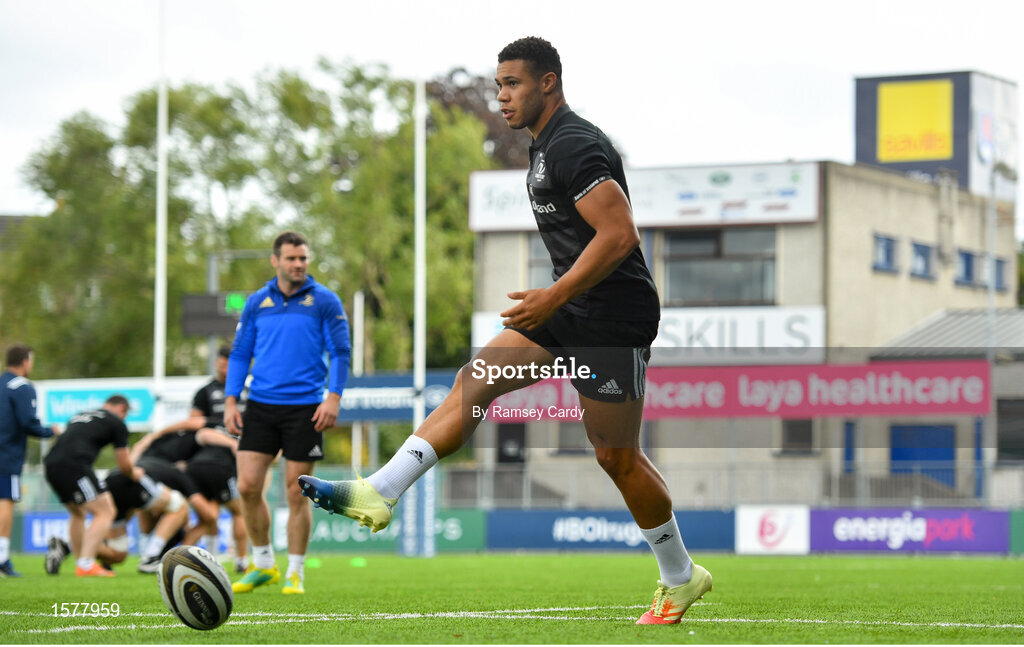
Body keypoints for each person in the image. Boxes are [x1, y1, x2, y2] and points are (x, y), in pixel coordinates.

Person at [300, 37, 712, 625]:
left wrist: (552, 295)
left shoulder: (573, 144)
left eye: (512, 84)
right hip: (572, 309)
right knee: (477, 380)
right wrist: (557, 299)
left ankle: (680, 576)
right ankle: (380, 490)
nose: (501, 97)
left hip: (612, 320)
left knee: (616, 457)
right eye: (497, 86)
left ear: (548, 83)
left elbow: (620, 236)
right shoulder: (543, 148)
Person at [225, 231, 351, 595]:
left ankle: (295, 571)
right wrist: (232, 400)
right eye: (292, 258)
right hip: (261, 405)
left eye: (303, 259)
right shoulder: (255, 303)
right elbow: (239, 354)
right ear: (275, 261)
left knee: (296, 493)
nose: (298, 264)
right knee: (247, 486)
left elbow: (341, 352)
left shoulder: (324, 300)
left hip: (306, 408)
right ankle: (264, 564)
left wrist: (333, 397)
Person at [42, 395, 141, 577]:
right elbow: (125, 466)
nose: (124, 417)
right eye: (125, 413)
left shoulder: (80, 415)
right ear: (121, 409)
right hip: (75, 465)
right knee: (106, 511)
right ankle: (86, 564)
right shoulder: (116, 422)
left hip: (51, 464)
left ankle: (82, 562)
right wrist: (136, 474)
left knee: (78, 513)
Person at [1, 344, 59, 577]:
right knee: (5, 500)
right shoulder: (22, 386)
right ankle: (2, 558)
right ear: (25, 362)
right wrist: (50, 431)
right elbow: (28, 422)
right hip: (6, 454)